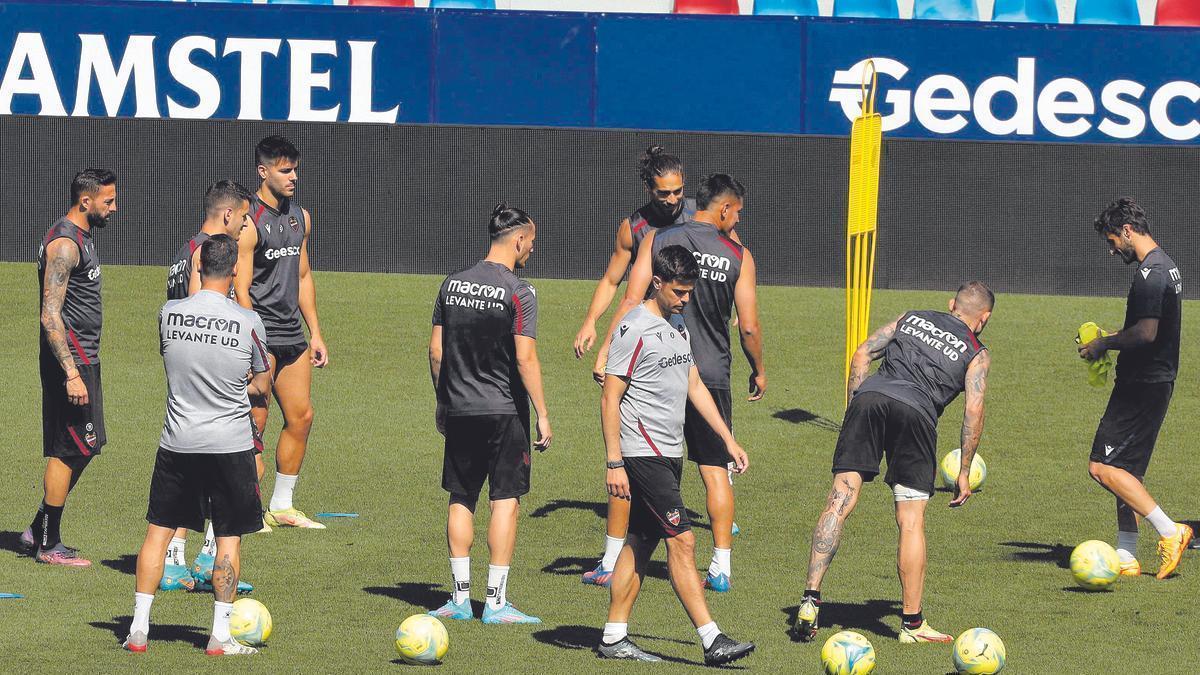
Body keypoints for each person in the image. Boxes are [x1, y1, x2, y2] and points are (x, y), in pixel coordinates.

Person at [792, 282, 994, 645]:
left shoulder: (911, 317)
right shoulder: (977, 352)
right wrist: (963, 471)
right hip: (916, 415)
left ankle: (810, 599)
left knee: (839, 499)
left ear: (951, 304)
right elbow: (974, 410)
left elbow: (861, 354)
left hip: (869, 399)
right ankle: (912, 625)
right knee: (911, 521)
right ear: (984, 319)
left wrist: (853, 406)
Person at [597, 173, 765, 593]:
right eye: (737, 212)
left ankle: (611, 558)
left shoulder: (658, 236)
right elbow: (747, 326)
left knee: (636, 463)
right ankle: (721, 566)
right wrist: (758, 368)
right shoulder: (739, 255)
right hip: (711, 374)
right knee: (714, 471)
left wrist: (607, 349)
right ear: (724, 209)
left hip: (655, 373)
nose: (737, 219)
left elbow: (633, 298)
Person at [595, 245, 754, 666]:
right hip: (640, 452)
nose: (686, 300)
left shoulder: (677, 324)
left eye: (690, 292)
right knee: (682, 540)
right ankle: (712, 638)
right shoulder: (634, 328)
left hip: (670, 451)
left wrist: (727, 441)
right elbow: (611, 397)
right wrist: (614, 461)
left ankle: (613, 638)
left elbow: (694, 385)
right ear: (658, 283)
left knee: (641, 541)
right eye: (679, 292)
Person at [123, 234, 271, 656]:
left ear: (197, 268)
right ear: (236, 271)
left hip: (178, 441)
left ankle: (137, 630)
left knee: (158, 533)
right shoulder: (249, 322)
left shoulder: (168, 313)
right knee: (228, 537)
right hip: (230, 444)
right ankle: (219, 637)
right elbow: (261, 385)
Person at [574, 146, 698, 587]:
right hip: (645, 344)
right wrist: (593, 323)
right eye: (664, 192)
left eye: (679, 191)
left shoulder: (698, 219)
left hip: (692, 344)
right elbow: (617, 284)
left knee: (703, 446)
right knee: (634, 448)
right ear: (649, 189)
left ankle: (719, 546)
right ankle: (612, 557)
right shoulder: (635, 226)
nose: (673, 199)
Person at [427, 203, 552, 625]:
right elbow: (526, 358)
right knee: (505, 500)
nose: (531, 251)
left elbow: (436, 351)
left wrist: (445, 399)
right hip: (503, 413)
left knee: (462, 496)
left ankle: (459, 599)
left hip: (460, 409)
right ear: (518, 240)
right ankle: (495, 603)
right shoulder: (520, 291)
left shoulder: (452, 284)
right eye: (531, 244)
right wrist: (543, 412)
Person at [1077, 198, 1193, 578]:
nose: (1112, 250)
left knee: (1102, 466)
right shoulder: (1167, 265)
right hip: (1154, 379)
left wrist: (1102, 344)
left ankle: (1169, 530)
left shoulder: (1150, 274)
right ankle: (1126, 553)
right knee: (1127, 470)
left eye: (1112, 241)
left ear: (1127, 231)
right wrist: (1113, 337)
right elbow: (1151, 330)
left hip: (1142, 384)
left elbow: (1146, 333)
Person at [161, 180, 258, 593]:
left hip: (185, 386)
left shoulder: (185, 252)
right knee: (205, 475)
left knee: (192, 478)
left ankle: (187, 558)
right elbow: (206, 318)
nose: (246, 224)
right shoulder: (208, 254)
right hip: (212, 386)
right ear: (227, 215)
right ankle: (185, 560)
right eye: (244, 216)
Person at [21, 169, 117, 567]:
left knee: (87, 444)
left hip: (84, 360)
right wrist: (71, 373)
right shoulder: (64, 244)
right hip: (71, 363)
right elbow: (50, 315)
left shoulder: (81, 239)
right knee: (69, 449)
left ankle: (37, 528)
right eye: (108, 201)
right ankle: (48, 544)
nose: (114, 208)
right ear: (85, 201)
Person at [236, 136, 329, 529]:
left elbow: (303, 275)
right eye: (285, 170)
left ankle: (282, 504)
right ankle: (244, 510)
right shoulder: (248, 220)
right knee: (253, 425)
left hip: (293, 334)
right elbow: (239, 287)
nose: (294, 177)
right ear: (263, 171)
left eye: (295, 169)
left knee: (302, 416)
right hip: (261, 335)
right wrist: (249, 342)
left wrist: (317, 333)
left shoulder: (300, 218)